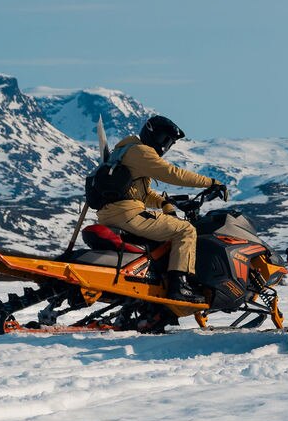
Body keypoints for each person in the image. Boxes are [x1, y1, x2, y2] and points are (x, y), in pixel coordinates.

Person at [95, 115, 225, 303]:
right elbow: (171, 174)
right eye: (165, 139)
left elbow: (144, 194)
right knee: (185, 230)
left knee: (164, 239)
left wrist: (164, 203)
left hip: (114, 213)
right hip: (127, 213)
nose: (165, 146)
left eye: (169, 142)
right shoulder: (141, 152)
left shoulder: (123, 152)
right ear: (153, 135)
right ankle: (179, 286)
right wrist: (211, 182)